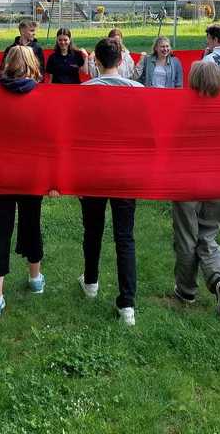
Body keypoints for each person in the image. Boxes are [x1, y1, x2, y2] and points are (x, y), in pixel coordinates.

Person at [0, 46, 49, 319]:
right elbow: (49, 140)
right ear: (33, 66)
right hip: (30, 173)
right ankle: (35, 278)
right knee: (31, 222)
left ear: (7, 65)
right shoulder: (42, 99)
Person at [79, 37, 141, 326]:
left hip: (93, 170)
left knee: (93, 230)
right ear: (120, 61)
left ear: (97, 62)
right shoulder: (139, 92)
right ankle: (127, 304)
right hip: (126, 171)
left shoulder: (84, 92)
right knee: (124, 236)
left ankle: (91, 282)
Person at [170, 60, 220, 314]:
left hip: (187, 180)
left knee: (186, 236)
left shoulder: (183, 109)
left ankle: (186, 291)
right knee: (208, 235)